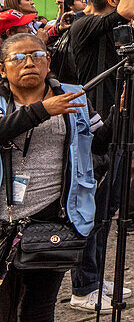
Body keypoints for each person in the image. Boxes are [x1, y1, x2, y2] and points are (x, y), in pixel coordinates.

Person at [66, 0, 134, 310]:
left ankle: (94, 276)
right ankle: (83, 287)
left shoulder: (122, 27)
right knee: (91, 212)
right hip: (94, 129)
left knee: (108, 211)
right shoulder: (85, 24)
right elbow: (124, 11)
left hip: (120, 126)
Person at [0, 33, 101, 322]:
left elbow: (100, 145)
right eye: (18, 58)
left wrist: (123, 115)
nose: (29, 62)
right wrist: (43, 110)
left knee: (41, 306)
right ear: (2, 69)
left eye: (37, 55)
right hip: (2, 219)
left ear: (49, 61)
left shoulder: (73, 95)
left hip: (52, 218)